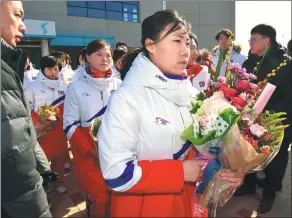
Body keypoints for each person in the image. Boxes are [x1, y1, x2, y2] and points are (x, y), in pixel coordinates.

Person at [97, 9, 244, 217]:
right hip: (147, 207)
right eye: (177, 41)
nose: (186, 51)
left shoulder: (191, 93)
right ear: (150, 45)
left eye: (187, 43)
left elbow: (205, 149)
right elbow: (116, 174)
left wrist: (227, 171)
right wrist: (180, 172)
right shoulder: (127, 98)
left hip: (190, 202)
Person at [1, 1, 54, 217]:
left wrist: (45, 171)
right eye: (17, 15)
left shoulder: (7, 66)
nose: (23, 25)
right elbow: (14, 164)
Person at [235, 24, 292, 214]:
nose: (249, 43)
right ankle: (249, 184)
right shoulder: (249, 62)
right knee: (248, 152)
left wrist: (271, 115)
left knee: (275, 157)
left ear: (266, 41)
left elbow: (289, 95)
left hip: (277, 120)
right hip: (250, 118)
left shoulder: (285, 63)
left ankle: (269, 194)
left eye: (253, 39)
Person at [63, 39, 122, 217]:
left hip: (118, 152)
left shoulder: (120, 85)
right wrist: (92, 149)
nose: (105, 59)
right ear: (87, 57)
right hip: (90, 156)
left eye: (108, 55)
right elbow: (70, 124)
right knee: (100, 199)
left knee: (119, 197)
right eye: (99, 54)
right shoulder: (76, 87)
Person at [25, 55, 69, 194]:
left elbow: (68, 106)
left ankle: (59, 182)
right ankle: (44, 186)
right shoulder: (32, 87)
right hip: (42, 130)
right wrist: (37, 123)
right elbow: (27, 108)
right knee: (42, 161)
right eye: (50, 68)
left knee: (59, 158)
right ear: (42, 69)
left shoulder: (64, 86)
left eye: (56, 68)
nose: (53, 72)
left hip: (59, 130)